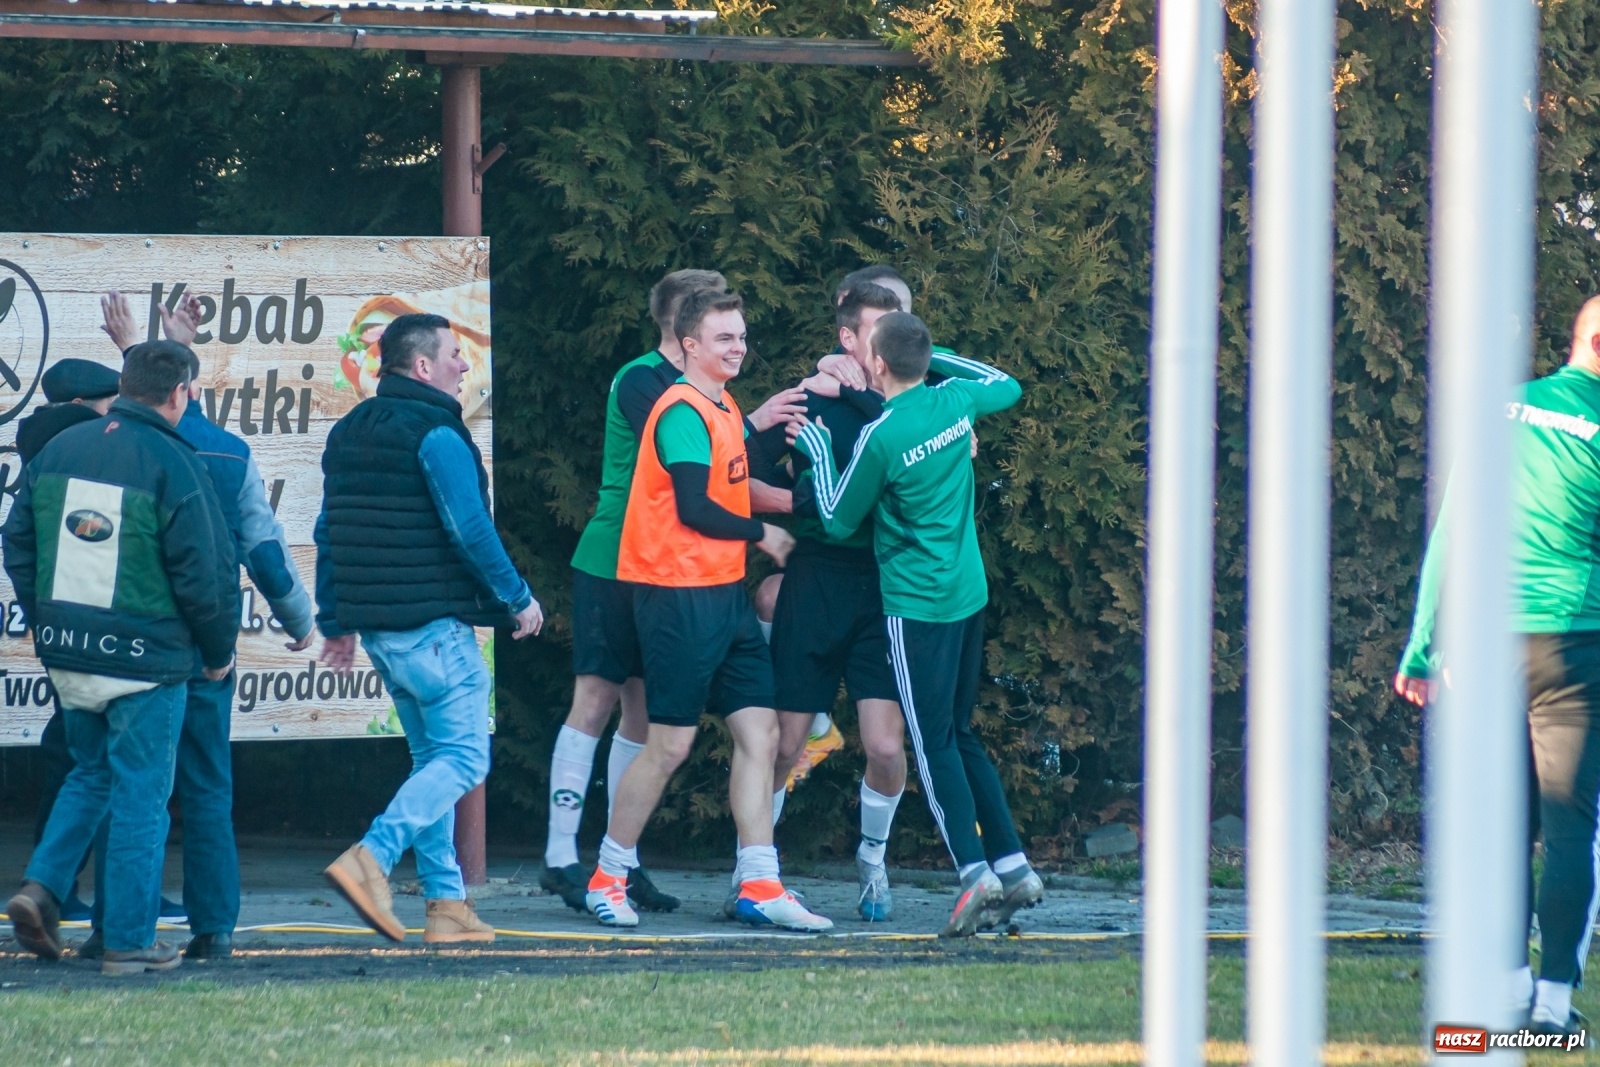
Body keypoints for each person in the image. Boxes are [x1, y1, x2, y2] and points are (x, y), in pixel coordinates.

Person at [792, 310, 1043, 937]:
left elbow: (837, 518)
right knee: (962, 733)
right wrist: (934, 355)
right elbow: (1006, 384)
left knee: (932, 747)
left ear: (877, 364)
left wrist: (817, 451)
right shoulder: (955, 400)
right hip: (967, 593)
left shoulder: (883, 436)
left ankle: (974, 874)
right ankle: (1014, 867)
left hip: (917, 605)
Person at [585, 289, 829, 931]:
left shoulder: (724, 406)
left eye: (742, 336)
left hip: (723, 596)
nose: (738, 347)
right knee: (669, 745)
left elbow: (734, 485)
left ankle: (760, 884)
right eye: (724, 338)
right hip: (674, 597)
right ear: (689, 345)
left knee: (761, 734)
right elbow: (695, 507)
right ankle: (607, 876)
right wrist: (763, 533)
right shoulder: (681, 411)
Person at [87, 290, 316, 961]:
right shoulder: (228, 453)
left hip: (125, 640)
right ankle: (214, 928)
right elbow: (264, 548)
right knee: (208, 784)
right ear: (188, 388)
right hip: (205, 645)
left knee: (128, 783)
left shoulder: (108, 443)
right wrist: (299, 617)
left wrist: (141, 349)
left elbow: (152, 411)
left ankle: (113, 926)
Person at [1395, 296, 1600, 1039]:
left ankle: (1507, 986)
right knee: (1572, 825)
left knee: (1504, 821)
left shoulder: (1502, 409)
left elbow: (1452, 533)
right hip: (1572, 644)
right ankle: (1550, 1006)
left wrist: (1424, 647)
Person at [4, 341, 240, 974]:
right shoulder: (176, 460)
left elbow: (17, 539)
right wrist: (217, 651)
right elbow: (205, 573)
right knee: (142, 795)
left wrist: (44, 616)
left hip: (69, 654)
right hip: (146, 662)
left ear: (126, 384)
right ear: (179, 393)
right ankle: (129, 943)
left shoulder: (61, 449)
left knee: (91, 773)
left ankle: (40, 889)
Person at [316, 312, 543, 946]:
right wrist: (518, 598)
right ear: (422, 367)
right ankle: (372, 858)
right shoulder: (438, 433)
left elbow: (329, 531)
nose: (464, 365)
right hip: (434, 631)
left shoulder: (349, 430)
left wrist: (335, 620)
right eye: (453, 355)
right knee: (465, 758)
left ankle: (447, 907)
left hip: (383, 636)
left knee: (432, 762)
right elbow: (469, 529)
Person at [542, 269, 726, 915]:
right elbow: (693, 460)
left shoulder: (707, 388)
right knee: (594, 698)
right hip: (613, 558)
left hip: (661, 567)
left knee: (641, 714)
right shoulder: (644, 380)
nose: (727, 335)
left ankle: (619, 863)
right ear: (682, 323)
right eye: (711, 317)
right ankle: (560, 857)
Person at [16, 355, 124, 924]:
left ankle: (59, 886)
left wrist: (41, 613)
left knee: (76, 755)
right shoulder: (89, 452)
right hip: (104, 625)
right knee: (97, 761)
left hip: (61, 626)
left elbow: (18, 544)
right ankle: (75, 890)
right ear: (83, 407)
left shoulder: (44, 453)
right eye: (109, 405)